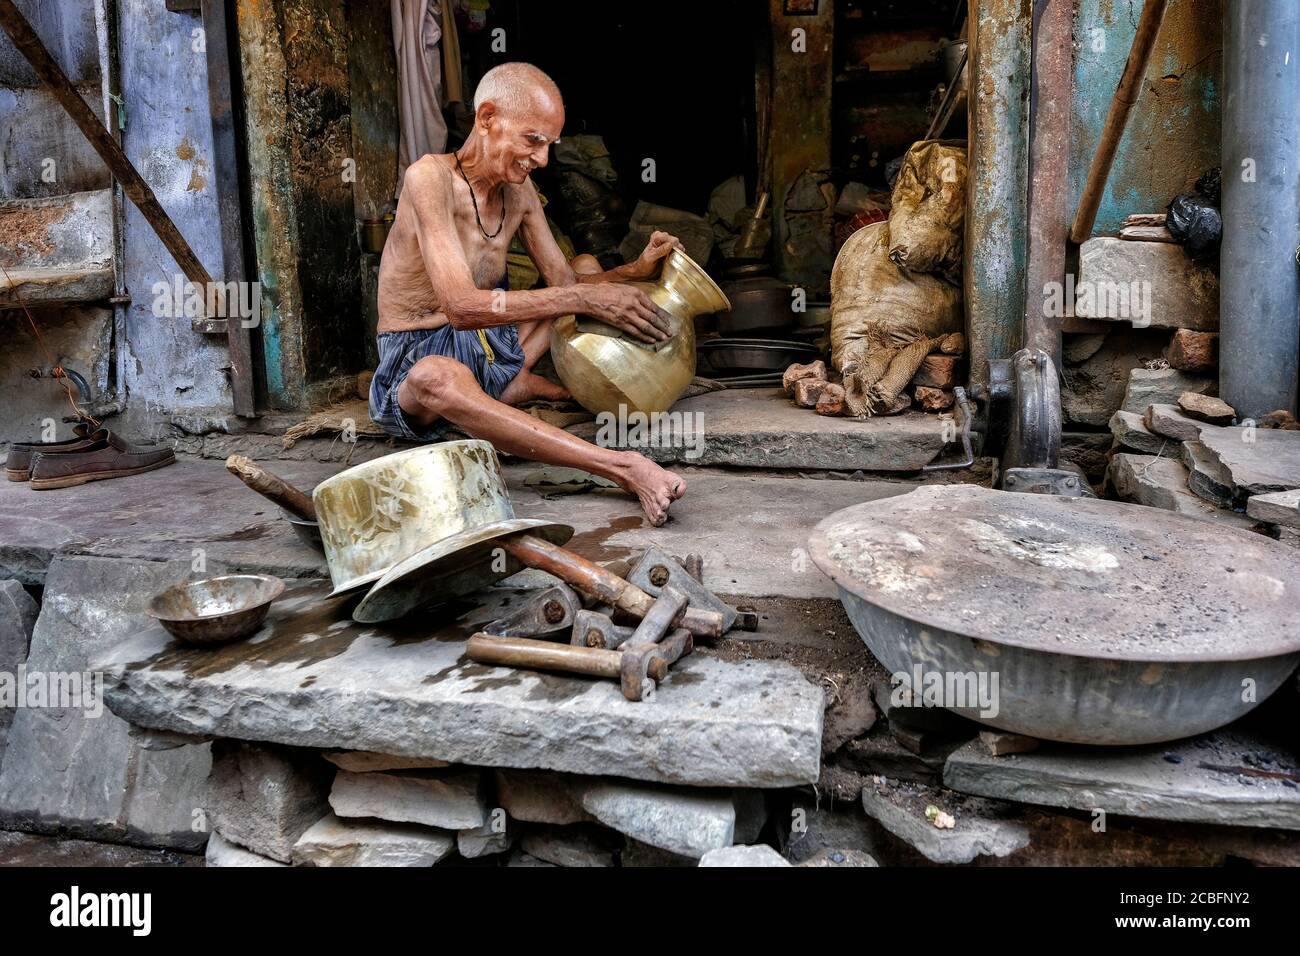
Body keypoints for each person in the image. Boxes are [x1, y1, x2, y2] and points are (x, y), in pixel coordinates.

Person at [371, 61, 687, 526]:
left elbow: (566, 285)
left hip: (492, 345)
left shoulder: (519, 193)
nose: (540, 159)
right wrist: (583, 299)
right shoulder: (429, 179)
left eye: (548, 145)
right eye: (532, 140)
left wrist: (634, 270)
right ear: (486, 119)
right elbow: (460, 307)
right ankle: (621, 468)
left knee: (582, 268)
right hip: (419, 351)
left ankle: (504, 386)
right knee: (435, 378)